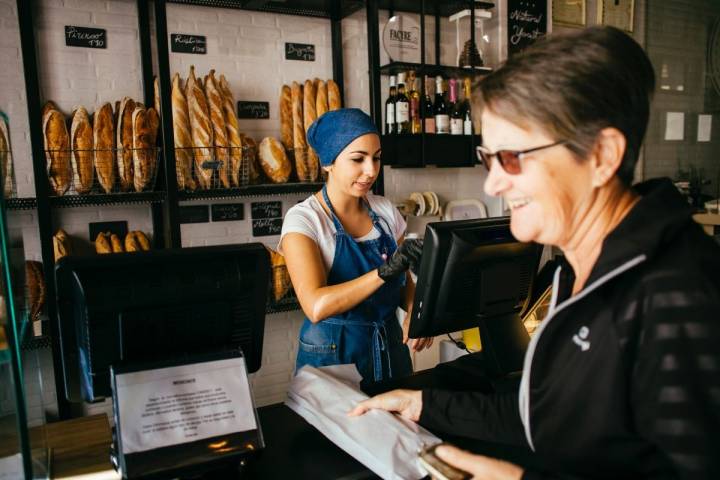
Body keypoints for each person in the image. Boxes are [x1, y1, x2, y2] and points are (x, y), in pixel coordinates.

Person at [349, 26, 720, 479]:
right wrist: (423, 404)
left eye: (514, 158)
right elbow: (549, 417)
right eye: (490, 158)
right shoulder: (574, 269)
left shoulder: (681, 296)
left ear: (602, 155)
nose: (493, 184)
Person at [279, 108, 433, 383]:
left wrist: (415, 311)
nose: (371, 171)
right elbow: (315, 305)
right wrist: (383, 272)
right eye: (357, 159)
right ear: (328, 162)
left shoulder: (384, 210)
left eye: (376, 158)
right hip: (332, 357)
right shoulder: (305, 220)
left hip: (389, 349)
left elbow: (403, 281)